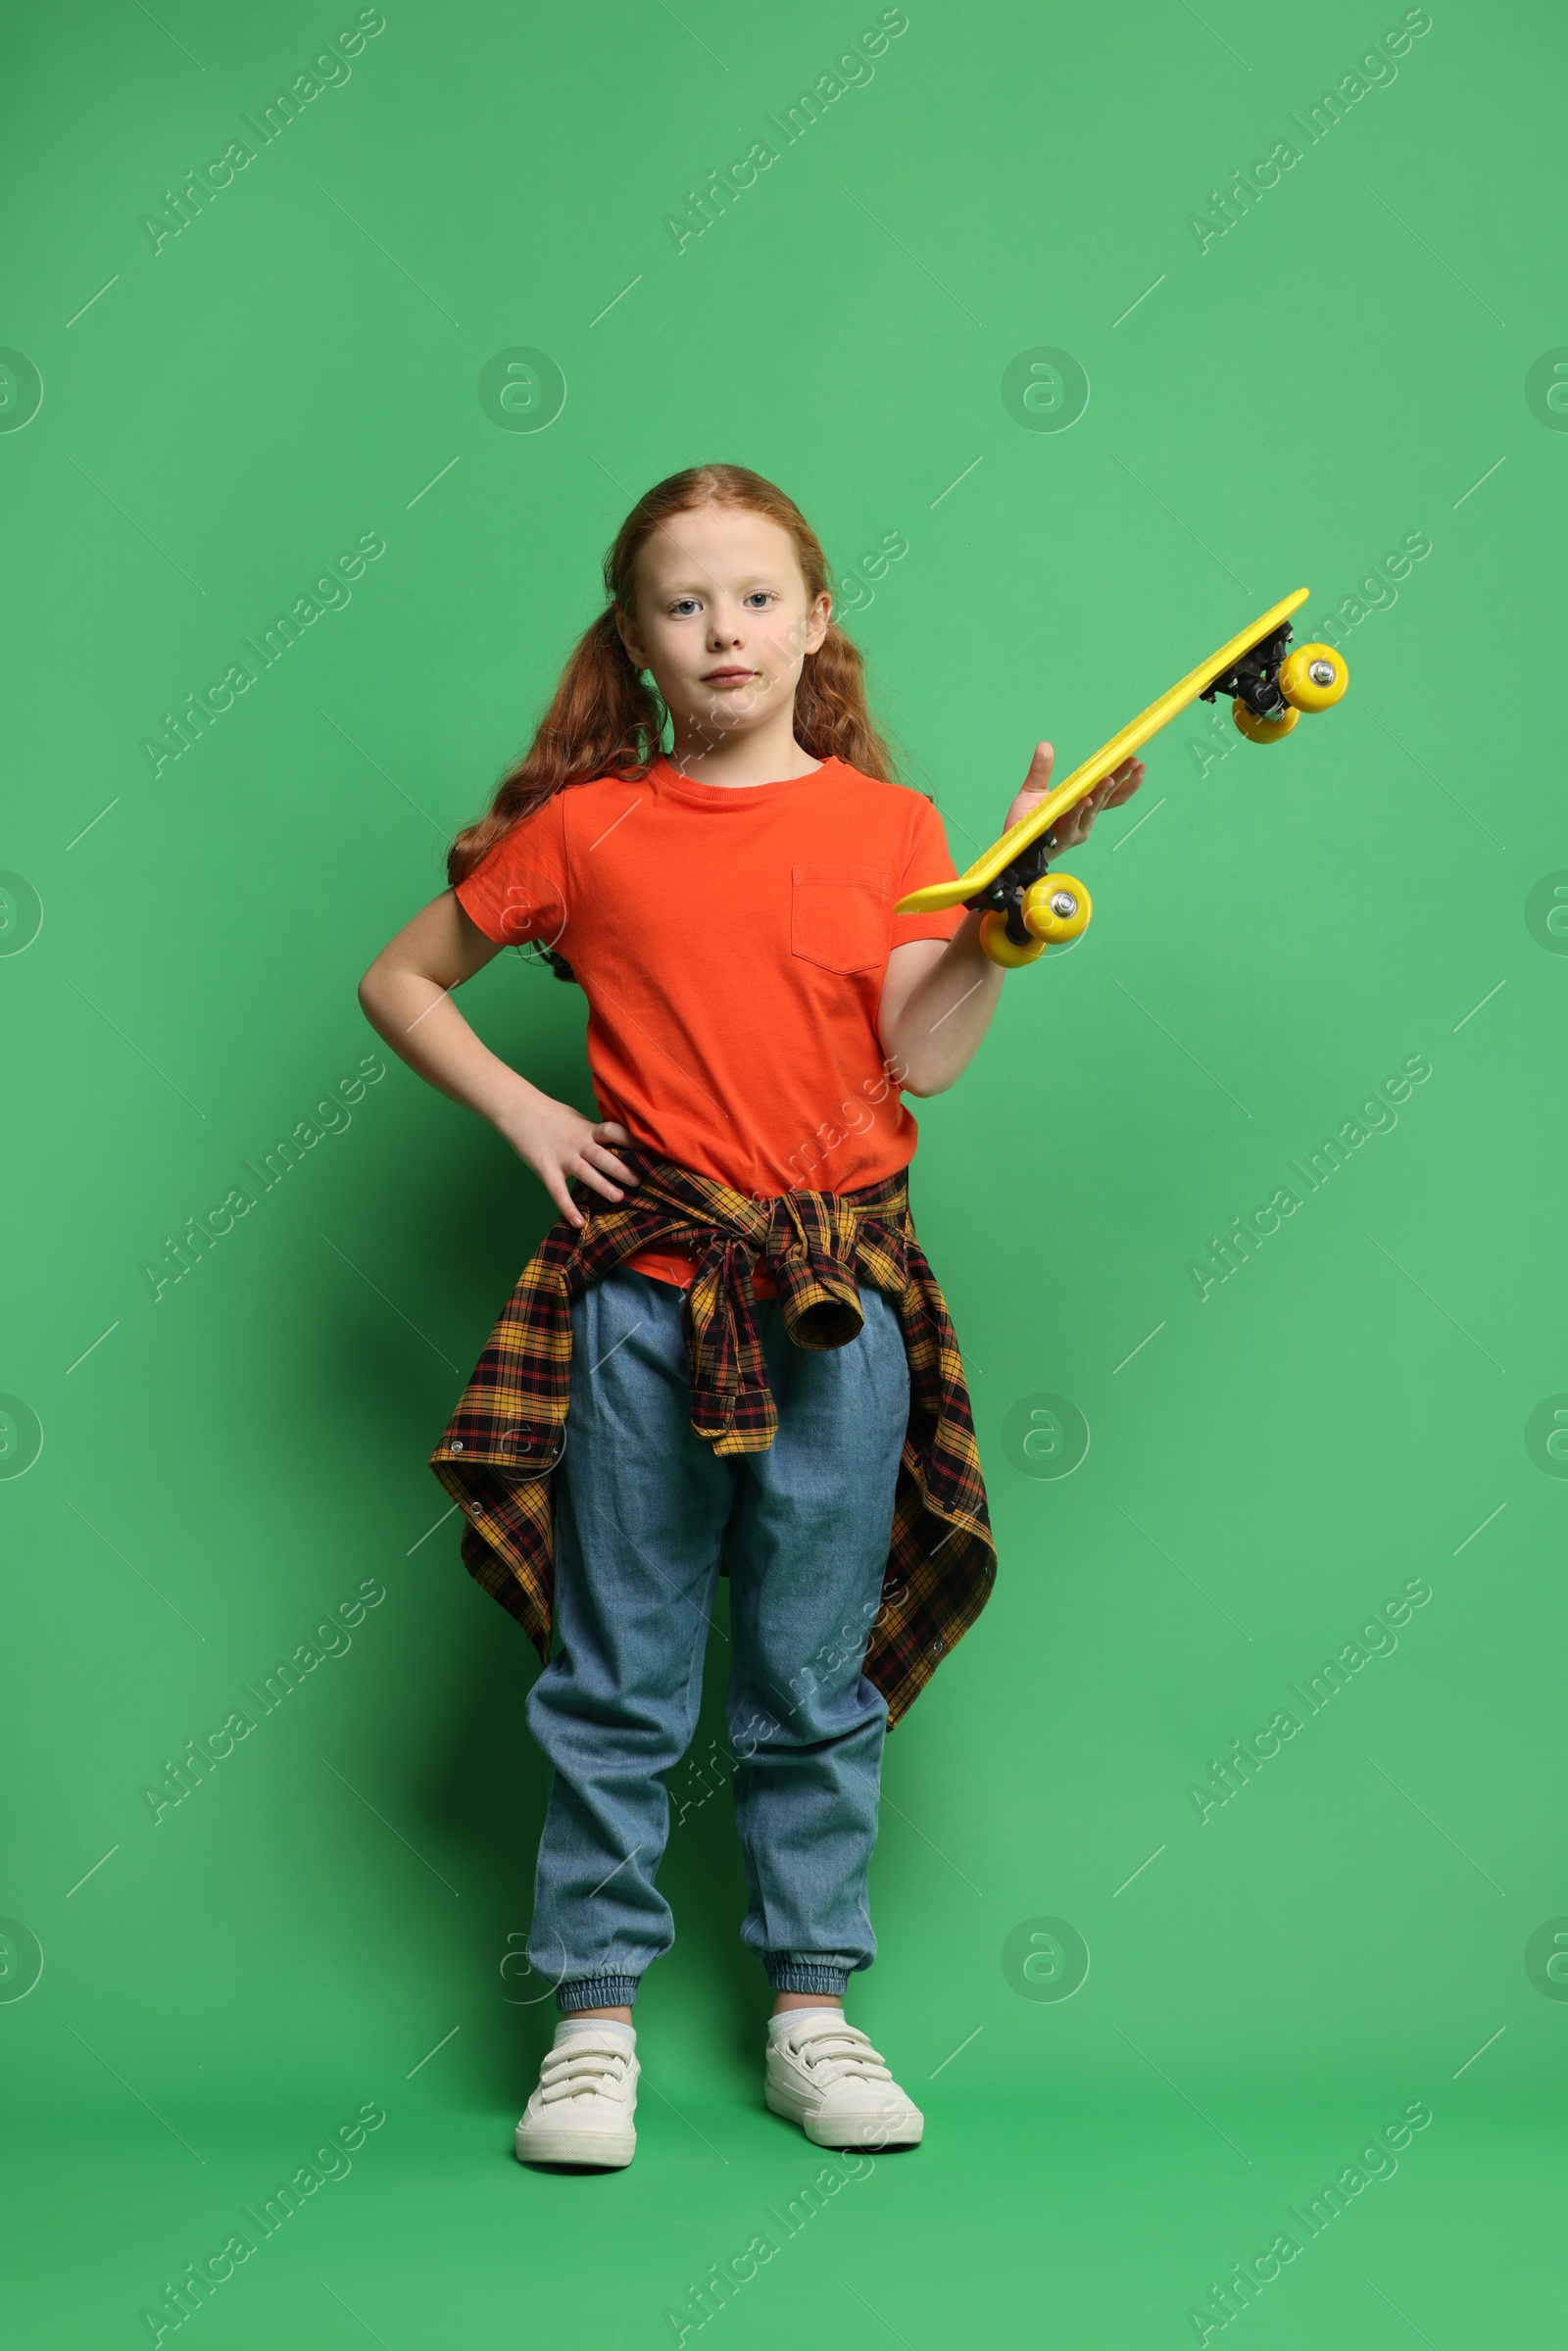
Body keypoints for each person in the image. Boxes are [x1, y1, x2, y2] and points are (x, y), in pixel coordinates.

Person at [358, 464, 1142, 2170]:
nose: (726, 629)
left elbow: (918, 1056)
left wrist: (1001, 911)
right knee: (620, 1667)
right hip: (642, 1304)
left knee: (809, 1669)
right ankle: (589, 2018)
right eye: (685, 602)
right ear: (636, 639)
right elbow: (399, 977)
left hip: (838, 1310)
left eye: (759, 596)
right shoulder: (587, 832)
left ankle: (810, 2010)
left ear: (818, 618)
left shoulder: (892, 830)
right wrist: (529, 1113)